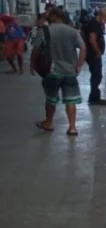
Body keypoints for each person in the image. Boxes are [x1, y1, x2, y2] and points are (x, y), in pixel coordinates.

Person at [30, 8, 86, 136]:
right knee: (70, 100)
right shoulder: (73, 31)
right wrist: (79, 65)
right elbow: (83, 48)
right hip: (70, 71)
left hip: (52, 71)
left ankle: (49, 122)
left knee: (51, 99)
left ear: (54, 16)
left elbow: (36, 50)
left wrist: (32, 65)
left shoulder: (44, 31)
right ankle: (72, 127)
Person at [83, 8, 106, 105]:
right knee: (96, 75)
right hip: (93, 54)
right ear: (102, 15)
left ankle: (95, 96)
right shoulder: (94, 24)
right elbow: (92, 40)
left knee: (97, 75)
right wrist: (98, 52)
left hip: (93, 54)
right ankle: (94, 98)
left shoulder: (96, 23)